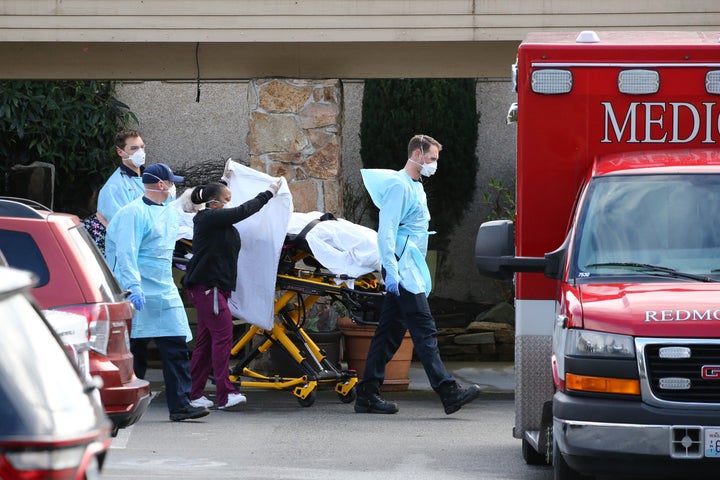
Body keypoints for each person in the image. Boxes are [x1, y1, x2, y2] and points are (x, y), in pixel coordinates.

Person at [355, 134, 481, 415]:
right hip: (403, 268)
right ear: (417, 153)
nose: (435, 164)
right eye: (432, 158)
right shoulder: (400, 187)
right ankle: (448, 391)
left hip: (406, 266)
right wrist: (391, 270)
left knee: (389, 333)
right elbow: (386, 231)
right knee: (424, 329)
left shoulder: (415, 186)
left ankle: (366, 394)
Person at [105, 162, 210, 422]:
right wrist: (133, 286)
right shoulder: (133, 213)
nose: (175, 186)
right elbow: (125, 252)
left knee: (175, 346)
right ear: (161, 185)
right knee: (135, 350)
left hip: (163, 290)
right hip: (137, 290)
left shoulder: (167, 210)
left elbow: (185, 216)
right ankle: (127, 404)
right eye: (172, 182)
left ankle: (181, 405)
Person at [183, 178, 282, 410]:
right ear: (214, 202)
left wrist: (227, 179)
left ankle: (194, 393)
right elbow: (242, 211)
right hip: (209, 287)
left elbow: (229, 210)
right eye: (227, 199)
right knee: (223, 337)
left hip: (214, 288)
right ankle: (225, 394)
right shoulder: (209, 217)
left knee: (207, 342)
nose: (230, 203)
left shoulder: (217, 221)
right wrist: (268, 193)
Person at [83, 129, 147, 255]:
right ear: (120, 152)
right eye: (133, 148)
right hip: (115, 246)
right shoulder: (114, 187)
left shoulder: (148, 179)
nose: (140, 152)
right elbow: (122, 226)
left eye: (142, 147)